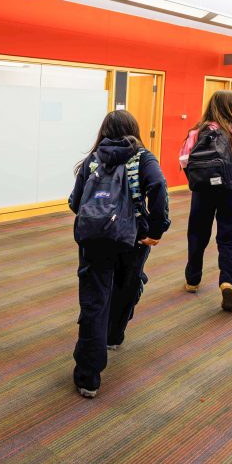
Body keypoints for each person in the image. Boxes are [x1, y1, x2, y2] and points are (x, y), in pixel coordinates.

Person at [68, 110, 170, 398]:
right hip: (134, 237)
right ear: (134, 129)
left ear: (104, 130)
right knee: (126, 286)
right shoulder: (143, 157)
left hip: (95, 240)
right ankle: (114, 336)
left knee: (94, 302)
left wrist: (98, 219)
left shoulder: (93, 159)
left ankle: (88, 378)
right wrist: (157, 228)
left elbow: (76, 202)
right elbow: (159, 188)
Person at [178, 90, 232, 311]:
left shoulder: (196, 131)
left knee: (197, 234)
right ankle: (227, 281)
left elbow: (184, 161)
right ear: (227, 106)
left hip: (203, 190)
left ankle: (192, 280)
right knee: (227, 238)